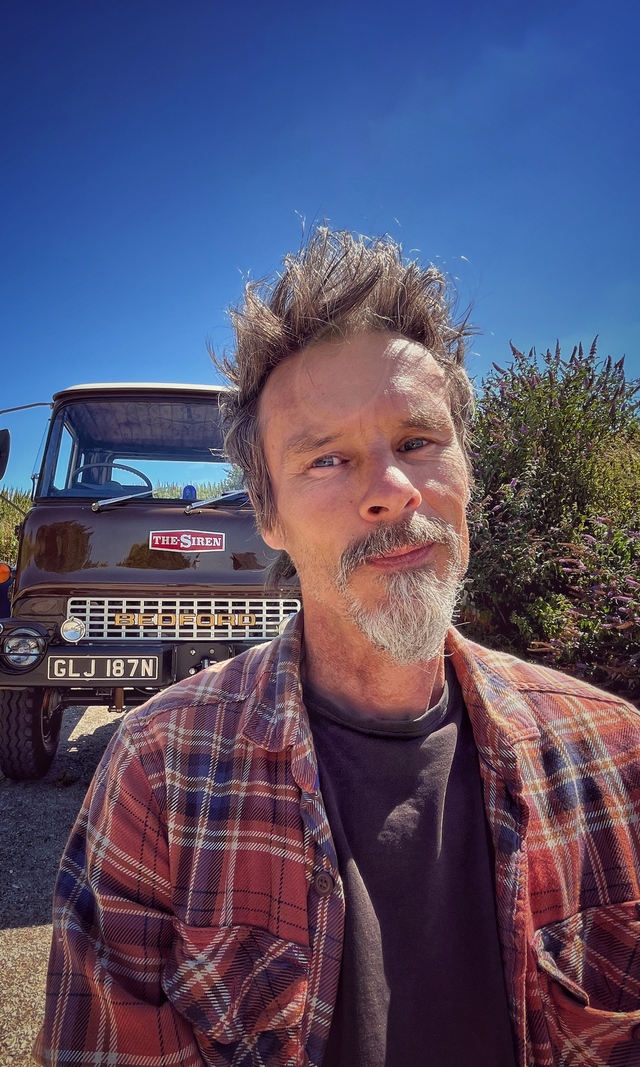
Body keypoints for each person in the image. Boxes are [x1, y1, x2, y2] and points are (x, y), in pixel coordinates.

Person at [33, 229, 640, 1067]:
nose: (392, 490)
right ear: (269, 515)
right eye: (327, 458)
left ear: (466, 468)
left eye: (419, 441)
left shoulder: (617, 755)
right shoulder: (159, 774)